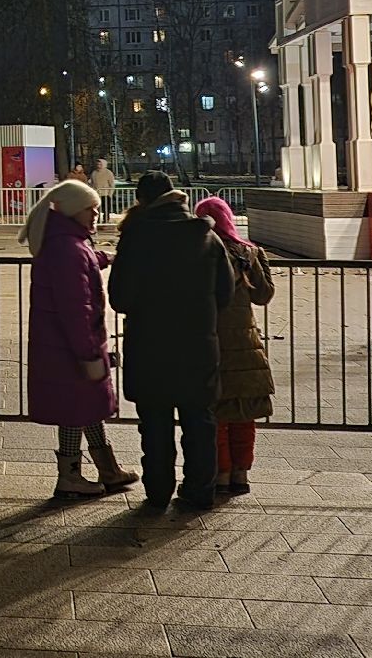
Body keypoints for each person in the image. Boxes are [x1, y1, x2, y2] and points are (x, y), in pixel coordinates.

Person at [109, 172, 231, 510]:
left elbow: (119, 297)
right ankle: (199, 492)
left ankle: (158, 491)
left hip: (150, 347)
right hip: (197, 345)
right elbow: (226, 292)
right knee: (199, 421)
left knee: (155, 423)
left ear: (142, 200)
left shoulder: (135, 237)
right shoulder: (206, 236)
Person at [20, 179, 136, 499]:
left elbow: (82, 261)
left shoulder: (66, 242)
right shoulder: (67, 249)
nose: (98, 214)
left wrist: (104, 258)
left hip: (63, 343)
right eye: (92, 208)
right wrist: (88, 352)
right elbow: (76, 306)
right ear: (74, 211)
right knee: (75, 408)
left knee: (87, 405)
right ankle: (69, 477)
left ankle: (108, 470)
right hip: (69, 346)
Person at [194, 195, 275, 497]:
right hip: (245, 342)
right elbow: (263, 295)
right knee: (244, 412)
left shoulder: (199, 252)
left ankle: (223, 473)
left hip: (211, 341)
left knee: (218, 414)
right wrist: (259, 258)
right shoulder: (249, 252)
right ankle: (241, 473)